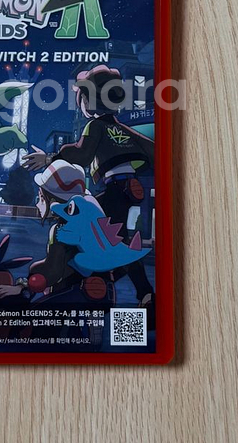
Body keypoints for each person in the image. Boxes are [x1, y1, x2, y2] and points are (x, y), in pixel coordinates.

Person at [21, 65, 155, 313]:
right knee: (116, 239)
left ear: (89, 100)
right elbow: (153, 150)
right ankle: (142, 292)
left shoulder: (95, 126)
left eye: (81, 98)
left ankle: (90, 281)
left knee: (81, 224)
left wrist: (51, 158)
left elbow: (82, 154)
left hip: (115, 186)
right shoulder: (123, 128)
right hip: (127, 187)